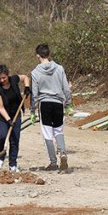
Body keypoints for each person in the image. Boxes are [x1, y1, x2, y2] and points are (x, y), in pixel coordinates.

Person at [31, 43, 73, 171]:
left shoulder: (35, 72)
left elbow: (34, 93)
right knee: (58, 131)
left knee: (48, 134)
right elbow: (66, 88)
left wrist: (33, 110)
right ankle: (63, 153)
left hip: (45, 103)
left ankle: (53, 162)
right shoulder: (59, 69)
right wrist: (69, 104)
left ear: (38, 55)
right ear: (49, 54)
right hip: (58, 103)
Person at [0, 64, 30, 172]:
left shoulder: (13, 79)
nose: (2, 80)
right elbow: (1, 108)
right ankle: (0, 158)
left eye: (4, 77)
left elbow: (25, 77)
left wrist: (27, 87)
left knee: (14, 139)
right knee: (3, 136)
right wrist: (8, 120)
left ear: (7, 75)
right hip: (2, 116)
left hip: (16, 114)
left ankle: (13, 164)